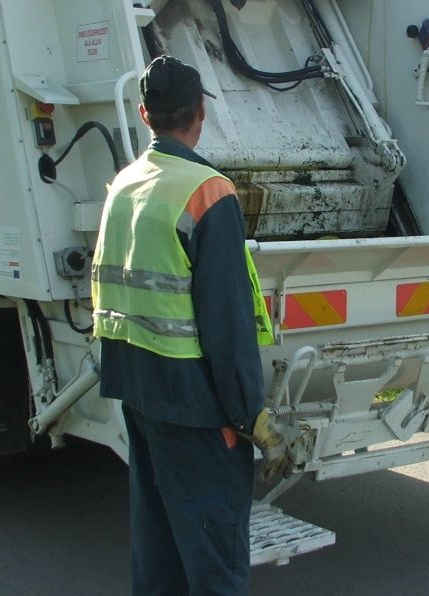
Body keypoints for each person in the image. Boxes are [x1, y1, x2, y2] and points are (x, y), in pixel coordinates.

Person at [91, 55, 290, 594]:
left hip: (139, 393)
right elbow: (226, 326)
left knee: (159, 554)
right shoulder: (208, 192)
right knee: (214, 562)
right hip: (197, 407)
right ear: (201, 111)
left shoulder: (124, 185)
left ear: (144, 114)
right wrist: (251, 417)